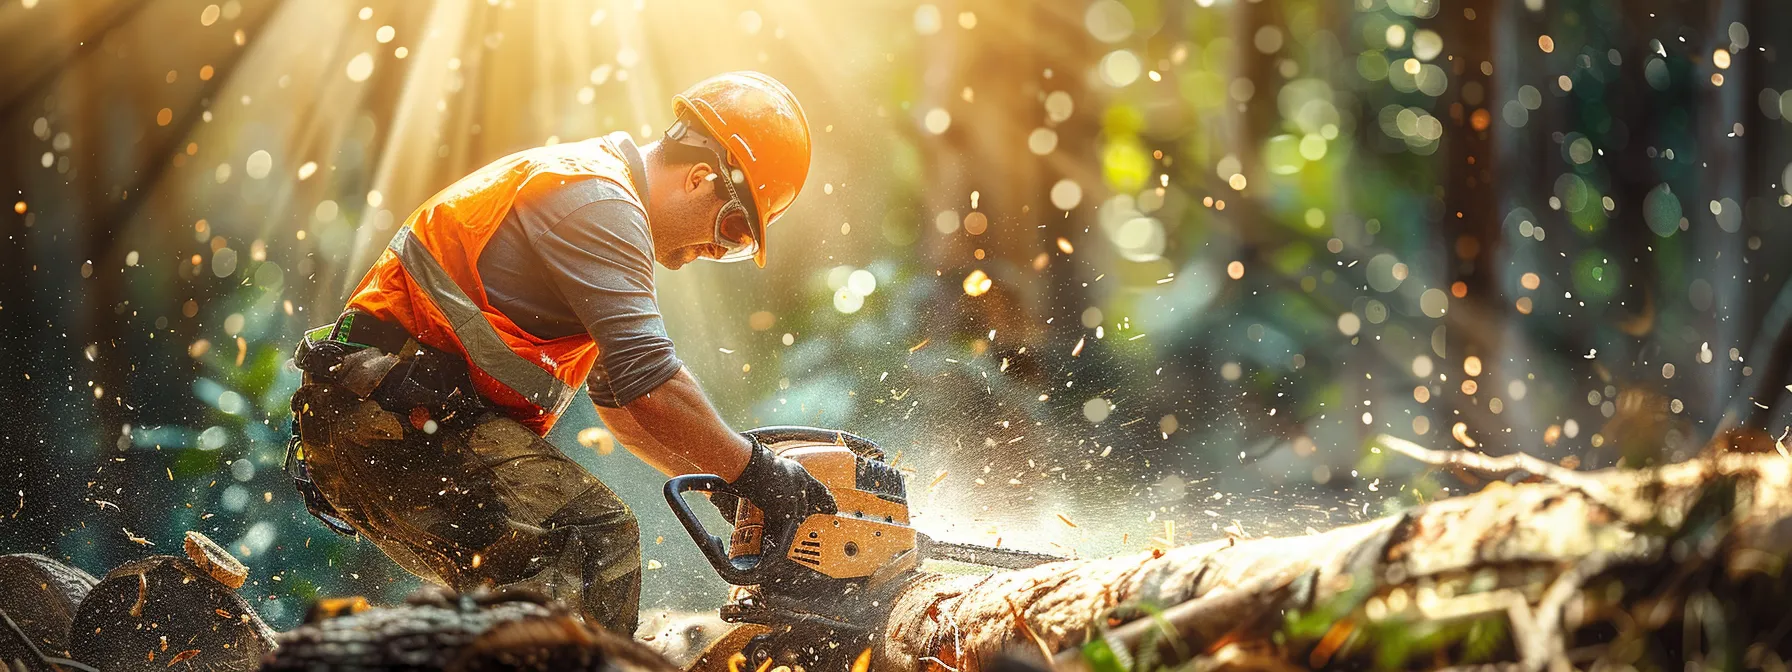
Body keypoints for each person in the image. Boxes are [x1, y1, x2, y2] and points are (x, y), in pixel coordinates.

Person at [285, 71, 836, 635]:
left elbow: (624, 407)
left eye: (738, 248)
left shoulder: (598, 200)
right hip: (387, 412)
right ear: (700, 177)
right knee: (593, 538)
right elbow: (653, 386)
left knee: (530, 591)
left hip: (391, 416)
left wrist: (722, 479)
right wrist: (760, 473)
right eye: (736, 227)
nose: (719, 247)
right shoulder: (597, 203)